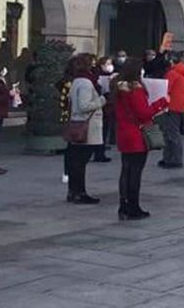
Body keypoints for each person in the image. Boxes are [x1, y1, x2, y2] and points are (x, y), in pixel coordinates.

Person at [114, 58, 168, 220]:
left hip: (123, 132)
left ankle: (123, 205)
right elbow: (143, 113)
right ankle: (133, 207)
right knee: (135, 172)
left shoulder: (118, 89)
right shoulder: (135, 90)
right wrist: (161, 102)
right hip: (136, 134)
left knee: (126, 170)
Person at [65, 54, 105, 204]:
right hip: (86, 126)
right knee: (80, 162)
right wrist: (102, 100)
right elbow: (84, 106)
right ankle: (79, 192)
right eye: (92, 64)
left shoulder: (76, 81)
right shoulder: (85, 83)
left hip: (77, 122)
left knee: (76, 161)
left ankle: (73, 191)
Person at [158, 52, 184, 170]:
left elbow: (166, 89)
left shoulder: (172, 73)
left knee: (170, 133)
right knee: (173, 132)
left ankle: (173, 159)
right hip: (180, 105)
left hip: (171, 105)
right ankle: (170, 158)